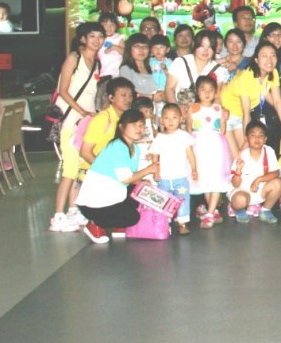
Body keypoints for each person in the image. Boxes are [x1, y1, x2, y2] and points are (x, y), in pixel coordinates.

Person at [76, 109, 160, 243]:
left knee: (141, 191)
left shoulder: (135, 148)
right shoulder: (118, 146)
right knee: (132, 217)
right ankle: (94, 224)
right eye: (134, 125)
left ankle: (116, 224)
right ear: (121, 127)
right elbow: (126, 179)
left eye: (142, 125)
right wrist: (149, 169)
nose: (139, 129)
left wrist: (141, 180)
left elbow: (130, 176)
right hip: (93, 204)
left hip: (111, 196)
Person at [220, 42, 281, 157]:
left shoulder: (273, 73)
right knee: (237, 156)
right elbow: (246, 112)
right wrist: (247, 139)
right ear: (256, 59)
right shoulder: (247, 77)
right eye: (264, 56)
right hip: (227, 115)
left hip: (241, 117)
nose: (269, 60)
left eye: (273, 55)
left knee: (244, 156)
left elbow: (277, 102)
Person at [147, 103, 198, 234]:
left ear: (181, 119)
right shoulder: (159, 138)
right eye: (167, 118)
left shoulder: (183, 136)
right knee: (164, 201)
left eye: (174, 117)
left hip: (180, 177)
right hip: (164, 178)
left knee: (183, 199)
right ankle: (164, 223)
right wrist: (156, 172)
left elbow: (190, 154)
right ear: (161, 120)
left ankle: (182, 223)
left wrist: (194, 169)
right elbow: (155, 156)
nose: (170, 121)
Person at [189, 75, 231, 228]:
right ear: (197, 91)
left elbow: (222, 130)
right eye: (203, 89)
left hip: (215, 146)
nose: (207, 93)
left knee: (216, 178)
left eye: (211, 90)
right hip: (199, 146)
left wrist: (224, 119)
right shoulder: (192, 109)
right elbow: (189, 130)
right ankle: (213, 211)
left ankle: (209, 214)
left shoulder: (219, 109)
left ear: (215, 92)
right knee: (204, 179)